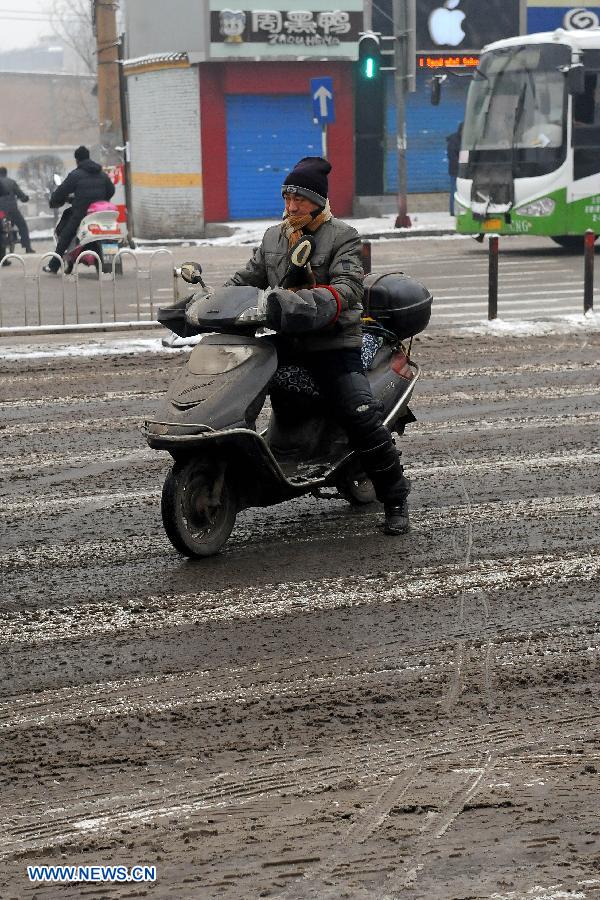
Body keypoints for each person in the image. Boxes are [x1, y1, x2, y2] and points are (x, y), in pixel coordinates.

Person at [224, 156, 411, 535]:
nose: (291, 206)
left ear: (319, 201)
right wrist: (209, 302)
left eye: (300, 199)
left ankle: (395, 498)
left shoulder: (342, 236)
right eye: (287, 196)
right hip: (287, 339)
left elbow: (349, 286)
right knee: (241, 385)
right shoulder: (273, 237)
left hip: (332, 342)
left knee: (359, 414)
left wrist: (312, 301)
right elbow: (247, 279)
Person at [43, 146, 115, 273]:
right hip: (101, 213)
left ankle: (54, 266)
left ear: (77, 160)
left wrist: (54, 200)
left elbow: (61, 192)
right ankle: (111, 262)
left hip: (82, 213)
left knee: (65, 235)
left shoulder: (75, 175)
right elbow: (111, 190)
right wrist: (101, 199)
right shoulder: (101, 174)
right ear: (88, 157)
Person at [0, 166, 34, 253]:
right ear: (6, 173)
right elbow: (20, 194)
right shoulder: (11, 182)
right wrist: (25, 198)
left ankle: (3, 254)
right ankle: (27, 247)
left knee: (2, 230)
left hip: (1, 212)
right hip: (13, 210)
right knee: (22, 225)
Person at [446, 122, 463, 216]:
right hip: (455, 170)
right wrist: (460, 165)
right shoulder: (454, 141)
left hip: (464, 170)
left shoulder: (464, 140)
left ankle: (458, 210)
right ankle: (453, 211)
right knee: (454, 190)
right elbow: (452, 156)